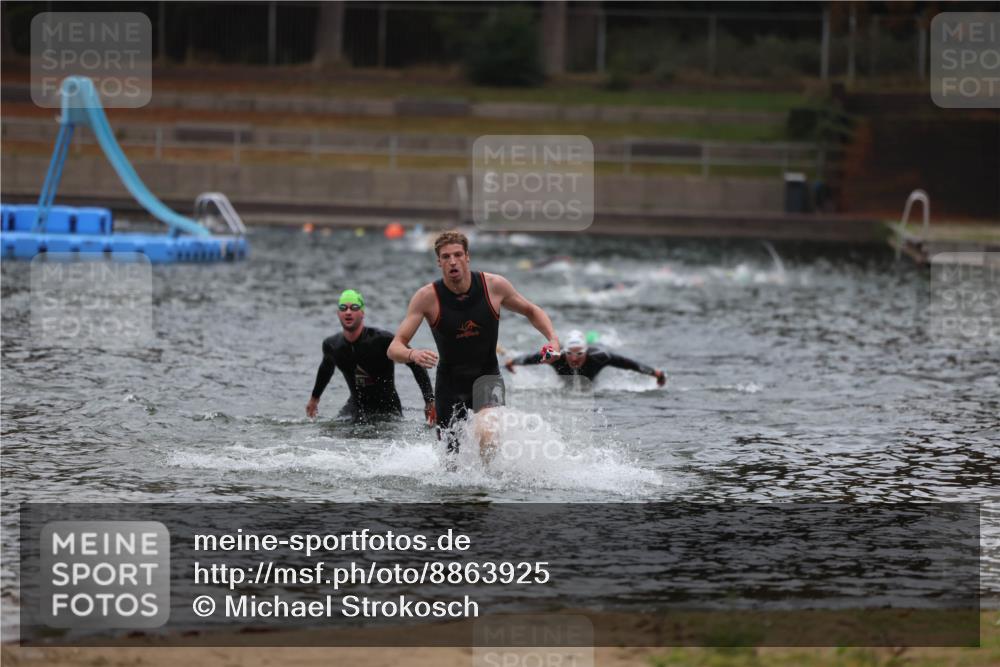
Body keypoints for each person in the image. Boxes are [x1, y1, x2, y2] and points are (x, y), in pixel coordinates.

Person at [387, 230, 559, 463]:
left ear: (467, 256)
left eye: (458, 255)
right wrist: (412, 353)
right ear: (439, 262)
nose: (453, 261)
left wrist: (552, 340)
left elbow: (531, 310)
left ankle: (484, 490)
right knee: (451, 464)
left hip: (487, 378)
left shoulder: (494, 286)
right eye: (446, 257)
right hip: (449, 386)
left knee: (488, 431)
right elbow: (394, 347)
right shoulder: (427, 297)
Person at [307, 289, 435, 424]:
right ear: (338, 313)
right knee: (328, 430)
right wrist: (314, 399)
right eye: (343, 308)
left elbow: (414, 363)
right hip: (356, 407)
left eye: (354, 307)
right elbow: (326, 369)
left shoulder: (382, 340)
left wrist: (429, 401)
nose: (348, 312)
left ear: (362, 313)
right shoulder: (332, 345)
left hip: (387, 409)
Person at [505, 329, 666, 387]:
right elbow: (532, 358)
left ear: (586, 352)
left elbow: (629, 364)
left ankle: (594, 338)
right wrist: (513, 362)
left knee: (600, 344)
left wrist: (654, 373)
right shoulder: (556, 356)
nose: (574, 358)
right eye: (570, 353)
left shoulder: (599, 357)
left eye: (579, 354)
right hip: (567, 386)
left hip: (591, 379)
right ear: (564, 352)